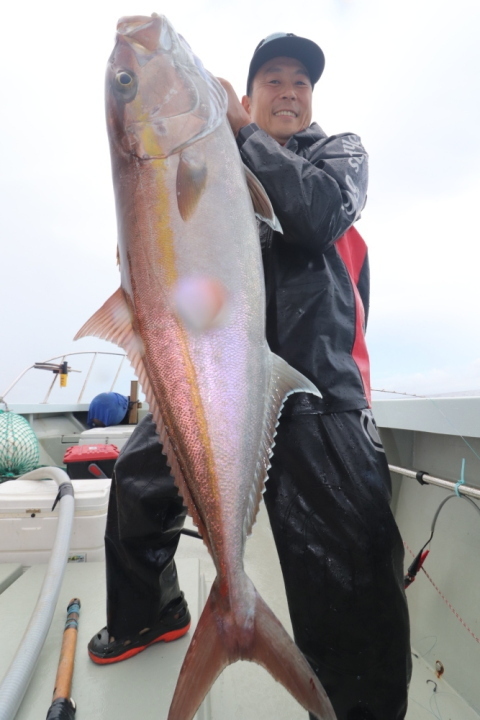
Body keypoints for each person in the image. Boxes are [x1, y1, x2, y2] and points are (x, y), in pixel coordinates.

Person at [88, 33, 411, 720]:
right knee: (138, 484)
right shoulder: (213, 160)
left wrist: (239, 132)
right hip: (218, 386)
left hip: (319, 393)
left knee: (350, 584)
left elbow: (318, 214)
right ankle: (153, 612)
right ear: (249, 90)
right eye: (273, 80)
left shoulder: (339, 154)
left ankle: (359, 707)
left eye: (301, 82)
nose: (289, 92)